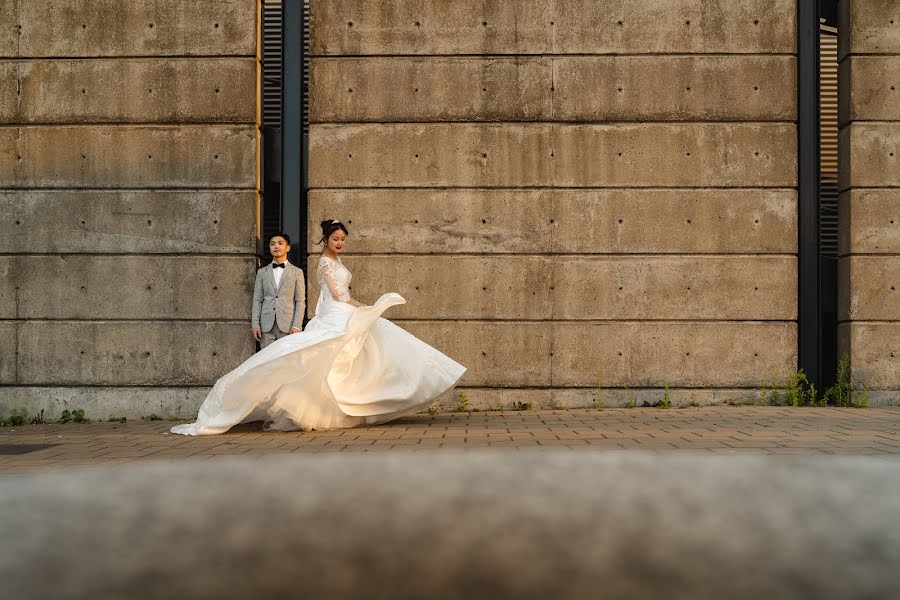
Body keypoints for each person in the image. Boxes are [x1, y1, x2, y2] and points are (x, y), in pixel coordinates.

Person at [171, 220, 466, 435]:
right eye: (335, 239)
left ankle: (390, 392)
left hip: (338, 310)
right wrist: (366, 307)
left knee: (371, 346)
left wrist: (365, 308)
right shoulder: (325, 263)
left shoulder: (336, 261)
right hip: (336, 312)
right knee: (329, 353)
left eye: (343, 240)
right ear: (325, 240)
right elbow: (340, 296)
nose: (340, 243)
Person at [251, 232, 306, 349]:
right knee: (266, 362)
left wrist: (297, 326)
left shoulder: (297, 272)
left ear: (288, 248)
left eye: (280, 243)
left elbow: (300, 301)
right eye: (272, 244)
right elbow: (257, 300)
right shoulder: (262, 272)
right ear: (269, 248)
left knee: (286, 362)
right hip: (266, 327)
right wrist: (255, 324)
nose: (276, 246)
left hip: (288, 326)